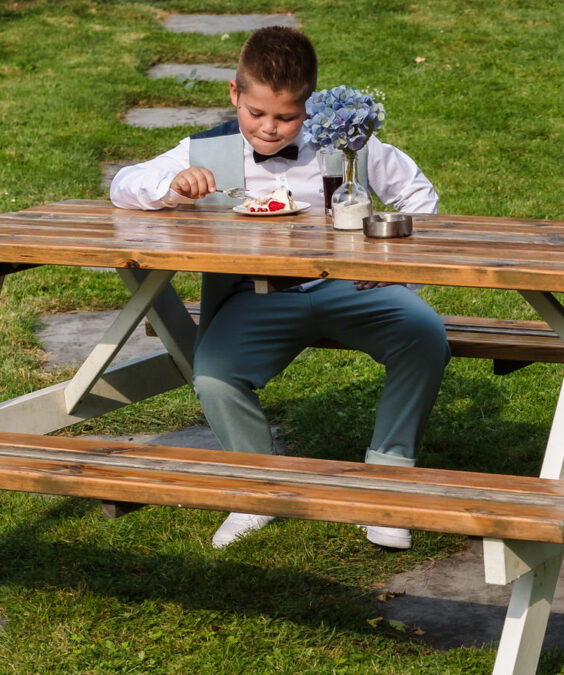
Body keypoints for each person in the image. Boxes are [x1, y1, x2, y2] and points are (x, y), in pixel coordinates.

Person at [109, 26, 448, 550]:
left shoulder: (342, 140)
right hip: (257, 296)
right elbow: (122, 184)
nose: (270, 130)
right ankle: (258, 488)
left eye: (287, 117)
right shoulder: (212, 148)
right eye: (257, 114)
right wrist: (170, 187)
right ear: (234, 94)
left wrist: (393, 264)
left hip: (349, 286)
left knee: (425, 335)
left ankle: (389, 480)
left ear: (309, 105)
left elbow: (417, 194)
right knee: (215, 374)